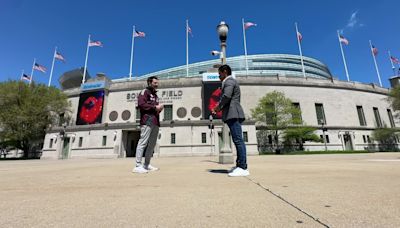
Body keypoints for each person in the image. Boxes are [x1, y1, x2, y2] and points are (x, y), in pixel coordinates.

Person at [212, 64, 249, 177]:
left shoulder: (229, 81)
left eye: (219, 73)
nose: (219, 75)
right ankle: (239, 165)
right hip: (231, 114)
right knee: (237, 140)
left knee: (238, 140)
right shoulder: (229, 82)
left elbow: (227, 96)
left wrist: (218, 107)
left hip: (233, 113)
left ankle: (242, 167)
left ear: (225, 72)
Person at [133, 76, 164, 173]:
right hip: (147, 120)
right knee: (143, 142)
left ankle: (146, 164)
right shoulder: (144, 92)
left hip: (155, 121)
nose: (157, 84)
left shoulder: (155, 96)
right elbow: (141, 104)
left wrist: (159, 109)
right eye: (155, 82)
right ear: (149, 83)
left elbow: (155, 109)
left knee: (152, 144)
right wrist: (155, 107)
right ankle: (138, 165)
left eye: (157, 83)